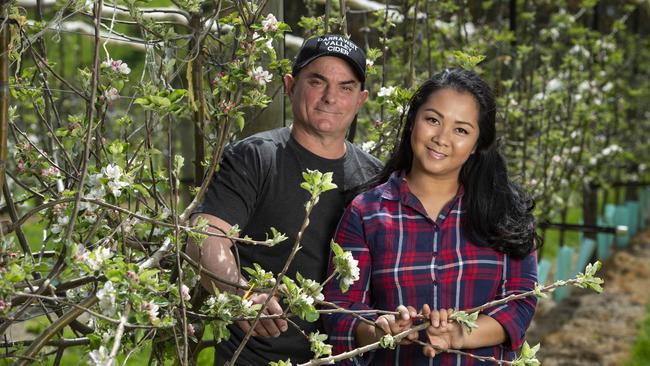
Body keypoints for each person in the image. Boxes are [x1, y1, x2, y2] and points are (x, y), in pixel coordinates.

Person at [186, 34, 383, 365]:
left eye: (345, 87)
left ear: (360, 99)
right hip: (254, 358)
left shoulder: (376, 178)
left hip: (346, 357)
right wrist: (241, 294)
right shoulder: (256, 158)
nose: (331, 97)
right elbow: (204, 235)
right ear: (291, 86)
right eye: (317, 82)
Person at [323, 68, 541, 365]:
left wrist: (459, 335)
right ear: (413, 121)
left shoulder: (505, 213)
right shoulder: (366, 212)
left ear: (478, 144)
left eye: (461, 130)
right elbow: (340, 309)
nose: (441, 138)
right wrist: (381, 329)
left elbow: (520, 302)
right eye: (433, 120)